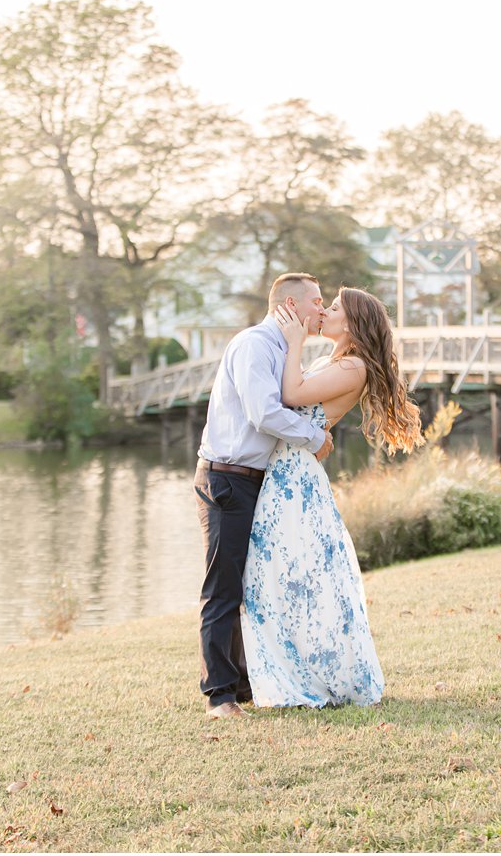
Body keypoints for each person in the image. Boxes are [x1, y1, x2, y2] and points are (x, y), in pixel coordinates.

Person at [240, 286, 424, 708]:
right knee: (280, 574)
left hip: (295, 477)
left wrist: (294, 343)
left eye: (333, 308)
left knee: (296, 575)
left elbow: (291, 395)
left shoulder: (353, 366)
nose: (324, 311)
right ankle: (288, 667)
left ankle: (316, 674)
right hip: (286, 471)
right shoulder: (338, 361)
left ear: (353, 322)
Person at [194, 273, 333, 720]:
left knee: (253, 584)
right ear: (291, 304)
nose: (322, 310)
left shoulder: (285, 349)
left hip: (255, 479)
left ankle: (247, 683)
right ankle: (220, 696)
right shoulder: (255, 344)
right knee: (223, 588)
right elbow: (263, 412)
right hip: (227, 479)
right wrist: (314, 437)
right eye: (317, 302)